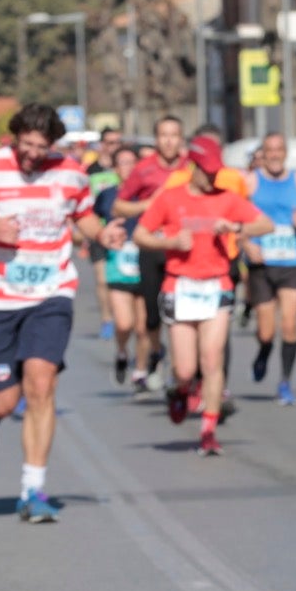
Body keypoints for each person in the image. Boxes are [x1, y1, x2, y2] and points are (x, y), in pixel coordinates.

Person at [0, 104, 127, 520]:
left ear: (53, 144)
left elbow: (83, 216)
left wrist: (102, 234)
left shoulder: (71, 172)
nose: (33, 154)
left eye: (42, 147)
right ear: (14, 137)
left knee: (41, 384)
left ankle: (33, 490)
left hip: (49, 294)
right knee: (5, 401)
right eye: (26, 145)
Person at [134, 136, 274, 455]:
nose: (212, 177)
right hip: (180, 285)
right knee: (185, 369)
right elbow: (140, 234)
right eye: (206, 171)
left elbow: (266, 224)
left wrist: (236, 229)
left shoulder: (227, 199)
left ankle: (208, 431)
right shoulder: (170, 198)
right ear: (193, 167)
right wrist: (169, 244)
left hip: (216, 285)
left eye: (215, 172)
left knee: (212, 359)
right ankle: (180, 390)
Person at [113, 116, 196, 391]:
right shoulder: (144, 169)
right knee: (152, 315)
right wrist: (150, 205)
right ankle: (156, 351)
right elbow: (119, 207)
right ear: (156, 139)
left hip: (182, 249)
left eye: (174, 135)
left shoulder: (190, 168)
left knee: (181, 311)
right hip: (150, 246)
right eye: (163, 135)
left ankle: (181, 366)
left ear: (181, 138)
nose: (169, 141)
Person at [245, 134, 296, 406]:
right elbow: (236, 216)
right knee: (266, 331)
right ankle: (264, 350)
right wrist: (246, 244)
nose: (274, 155)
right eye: (269, 150)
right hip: (261, 261)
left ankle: (285, 381)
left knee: (290, 324)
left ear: (285, 153)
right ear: (263, 153)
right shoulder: (250, 181)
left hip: (292, 260)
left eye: (279, 150)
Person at [93, 147, 149, 389]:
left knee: (143, 326)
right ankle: (122, 351)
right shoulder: (107, 195)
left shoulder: (147, 194)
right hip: (118, 262)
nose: (128, 167)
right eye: (123, 163)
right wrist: (101, 236)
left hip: (144, 260)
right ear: (115, 169)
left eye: (132, 162)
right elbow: (93, 221)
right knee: (125, 323)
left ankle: (140, 371)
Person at [85, 128, 124, 339]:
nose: (113, 146)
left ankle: (124, 317)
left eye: (117, 142)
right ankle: (107, 319)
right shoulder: (91, 170)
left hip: (121, 230)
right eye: (109, 142)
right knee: (102, 280)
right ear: (102, 144)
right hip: (98, 230)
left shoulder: (126, 166)